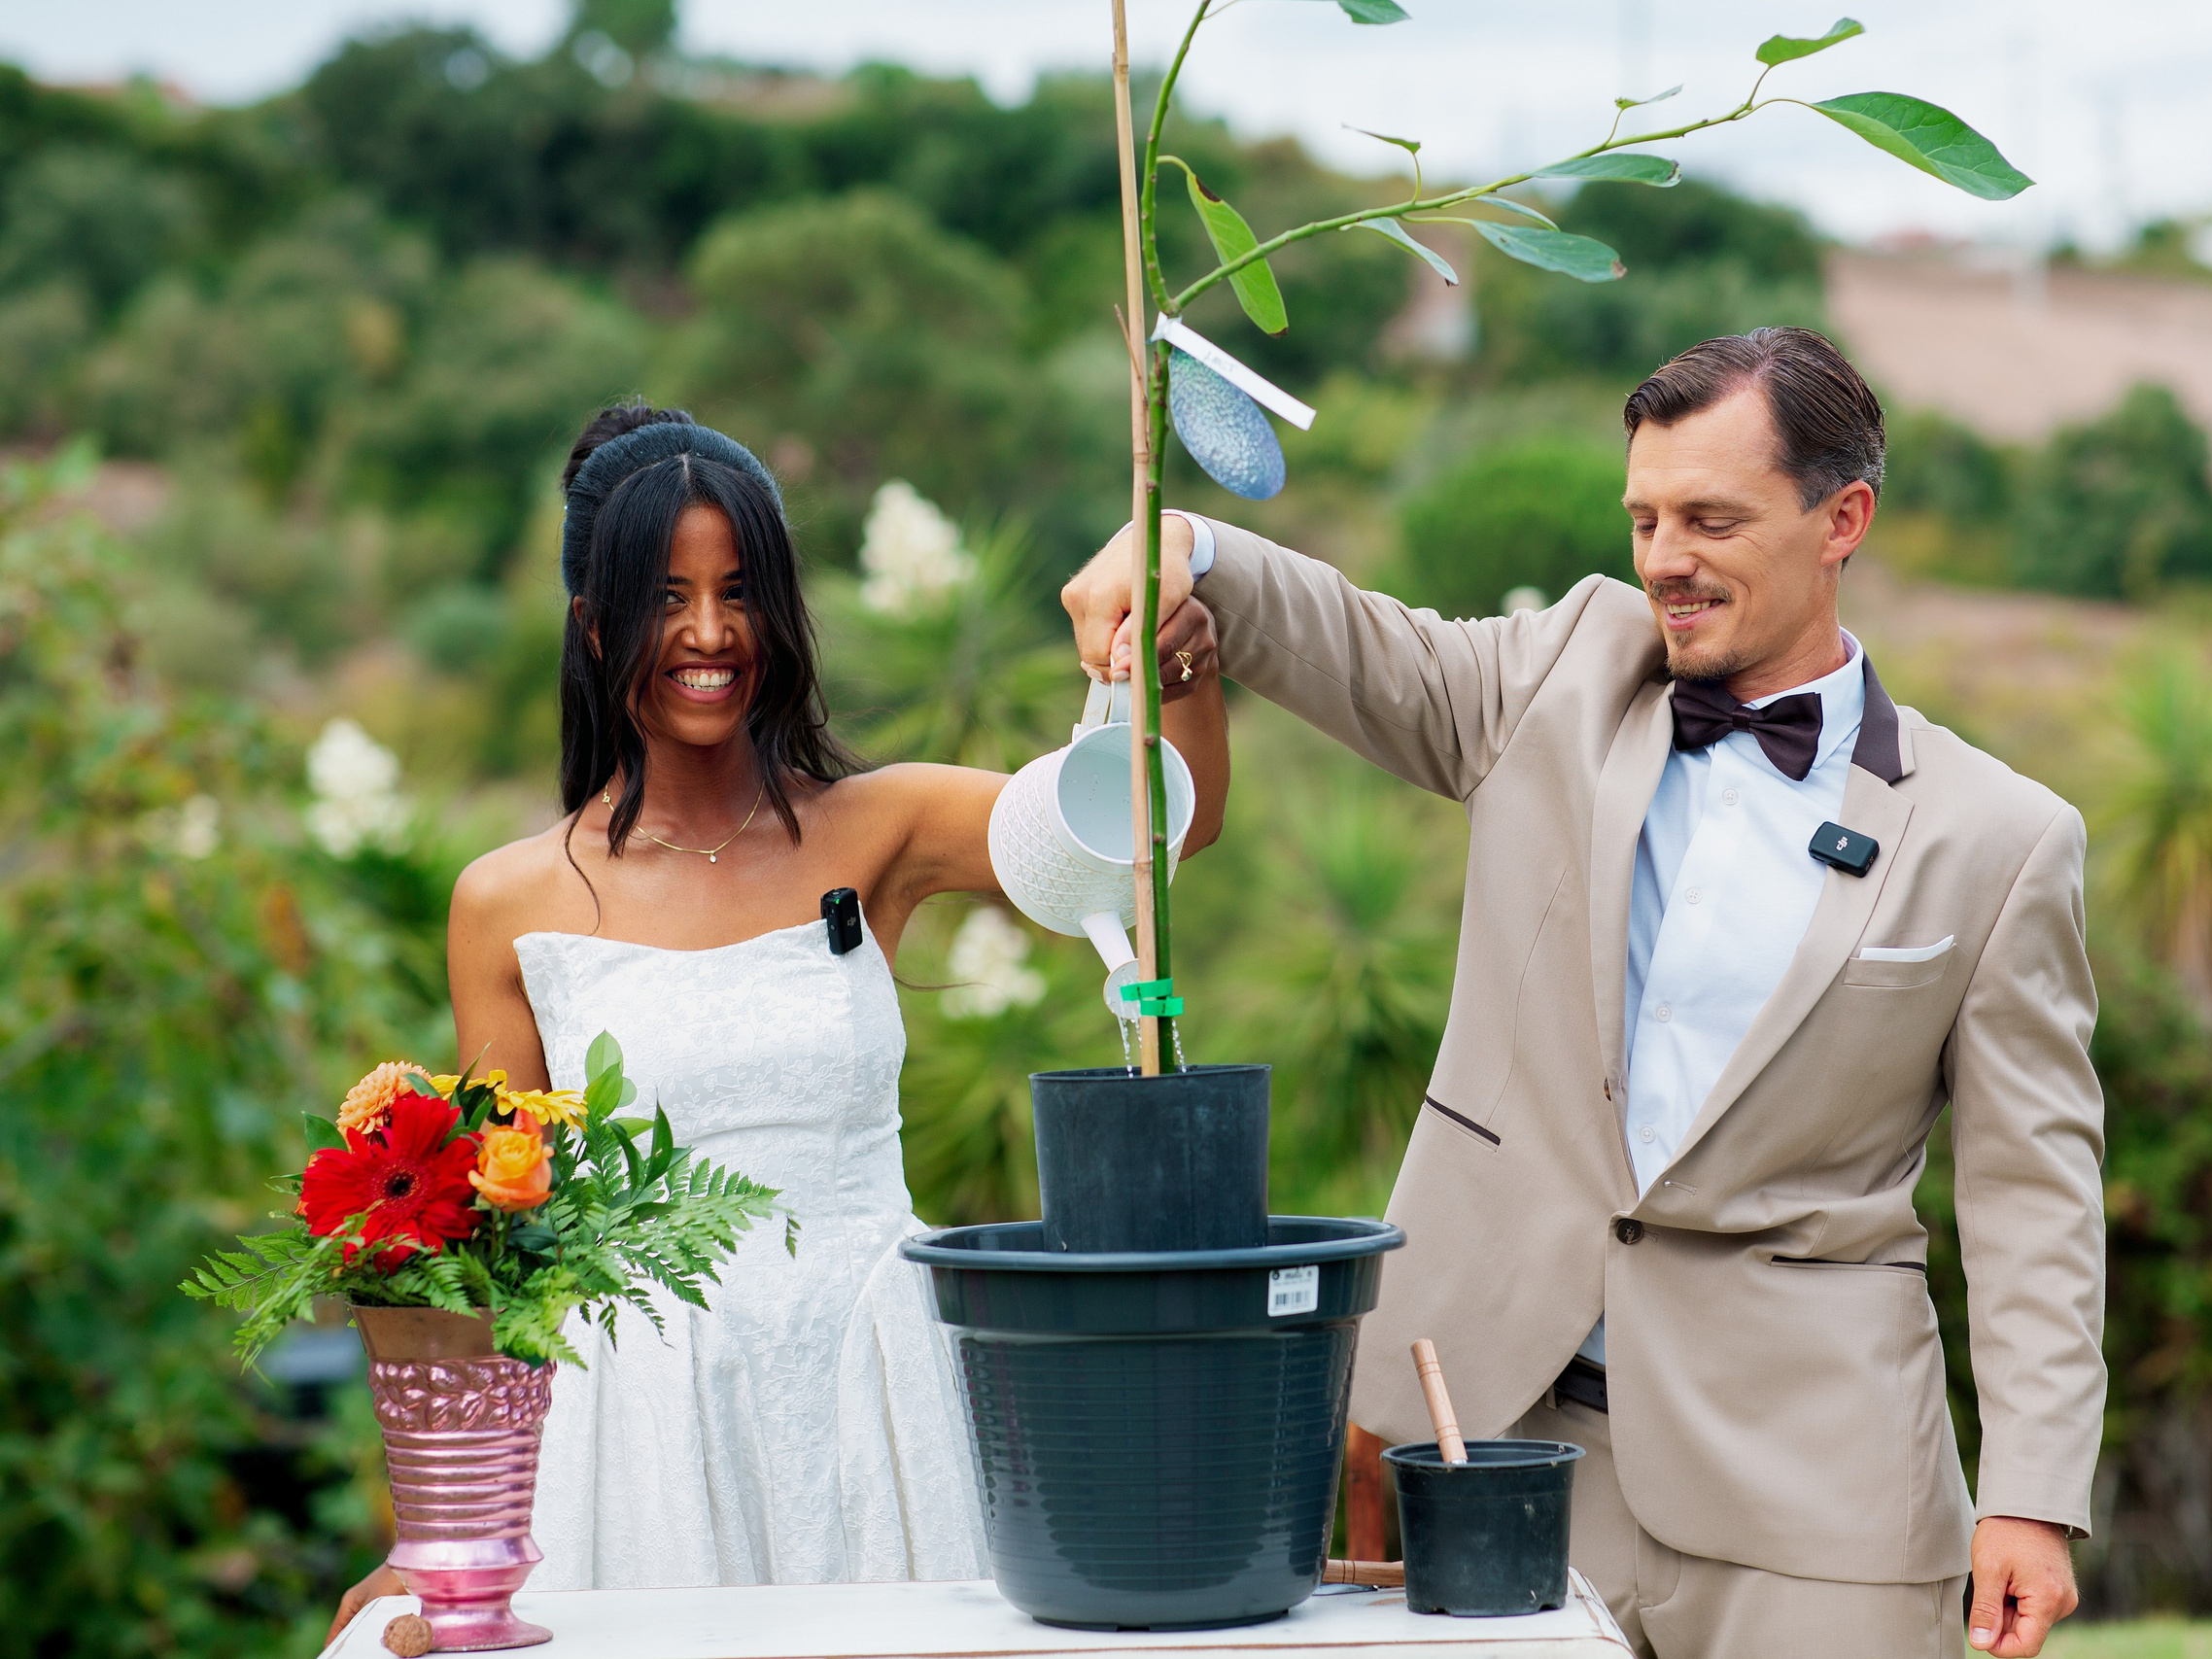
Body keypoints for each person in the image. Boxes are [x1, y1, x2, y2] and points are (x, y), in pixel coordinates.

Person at [1063, 328, 2102, 1659]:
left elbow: (2036, 1189)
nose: (1663, 556)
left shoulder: (1998, 834)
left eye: (1711, 517)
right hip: (1490, 1435)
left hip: (1821, 1487)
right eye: (1646, 516)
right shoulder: (1563, 672)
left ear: (1843, 518)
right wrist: (1190, 547)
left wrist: (2031, 1490)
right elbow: (1364, 645)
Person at [328, 405, 1228, 1638]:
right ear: (595, 627)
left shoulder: (884, 825)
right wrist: (439, 1532)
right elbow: (493, 1256)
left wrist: (1175, 646)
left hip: (874, 1384)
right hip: (637, 1423)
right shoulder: (510, 901)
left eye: (742, 591)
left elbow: (1144, 840)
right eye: (666, 596)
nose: (710, 632)